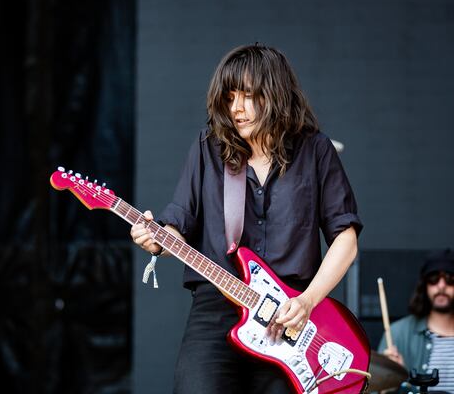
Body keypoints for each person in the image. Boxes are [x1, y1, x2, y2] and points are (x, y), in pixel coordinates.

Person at [130, 44, 362, 394]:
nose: (236, 108)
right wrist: (158, 238)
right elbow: (178, 222)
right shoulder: (208, 148)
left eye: (248, 95)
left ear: (276, 94)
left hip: (291, 315)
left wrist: (307, 300)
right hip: (217, 306)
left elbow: (345, 236)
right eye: (229, 97)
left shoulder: (316, 150)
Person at [378, 249, 454, 393]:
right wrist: (392, 376)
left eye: (450, 279)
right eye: (434, 278)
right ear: (424, 285)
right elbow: (375, 389)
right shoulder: (398, 333)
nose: (441, 285)